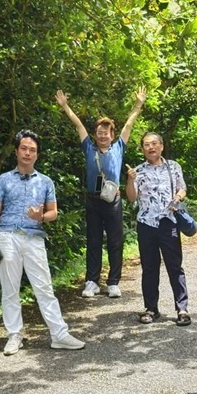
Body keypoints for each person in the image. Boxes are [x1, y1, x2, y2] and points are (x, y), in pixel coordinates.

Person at [0, 129, 86, 356]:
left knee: (44, 287)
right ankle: (14, 334)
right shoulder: (4, 179)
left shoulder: (46, 182)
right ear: (16, 151)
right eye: (24, 149)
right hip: (7, 236)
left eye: (33, 150)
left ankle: (59, 334)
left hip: (34, 237)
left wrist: (40, 217)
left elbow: (54, 213)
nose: (28, 153)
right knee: (10, 290)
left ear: (37, 155)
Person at [56, 87, 147, 299]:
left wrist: (138, 104)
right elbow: (77, 124)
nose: (103, 135)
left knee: (116, 241)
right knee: (94, 240)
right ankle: (92, 281)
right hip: (93, 200)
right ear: (95, 134)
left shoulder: (118, 148)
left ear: (112, 135)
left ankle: (113, 282)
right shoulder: (89, 147)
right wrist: (65, 106)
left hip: (113, 200)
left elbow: (129, 124)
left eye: (107, 133)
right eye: (100, 132)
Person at [124, 132, 190, 326]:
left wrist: (178, 198)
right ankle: (151, 308)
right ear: (142, 149)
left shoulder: (173, 166)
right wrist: (130, 180)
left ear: (161, 146)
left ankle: (182, 308)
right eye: (146, 145)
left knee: (174, 266)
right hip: (146, 223)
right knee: (149, 267)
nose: (150, 147)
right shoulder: (138, 171)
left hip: (168, 222)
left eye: (154, 143)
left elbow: (182, 188)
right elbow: (131, 197)